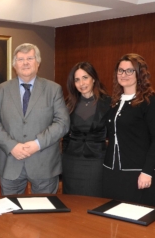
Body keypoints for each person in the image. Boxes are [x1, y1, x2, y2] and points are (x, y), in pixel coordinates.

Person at [0, 43, 70, 195]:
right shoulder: (0, 91)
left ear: (38, 63)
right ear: (14, 65)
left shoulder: (53, 89)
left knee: (43, 215)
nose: (25, 62)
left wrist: (37, 144)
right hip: (11, 162)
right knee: (11, 215)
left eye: (30, 58)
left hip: (44, 163)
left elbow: (62, 123)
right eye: (20, 59)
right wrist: (12, 146)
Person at [103, 53, 155, 206]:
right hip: (111, 172)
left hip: (137, 173)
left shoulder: (149, 101)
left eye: (129, 71)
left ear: (139, 74)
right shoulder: (114, 102)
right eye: (120, 70)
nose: (124, 74)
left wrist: (147, 171)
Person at [62, 62, 110, 197]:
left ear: (93, 78)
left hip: (97, 161)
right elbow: (64, 133)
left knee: (94, 199)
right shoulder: (68, 103)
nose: (81, 83)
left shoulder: (107, 102)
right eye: (77, 80)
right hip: (71, 161)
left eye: (85, 77)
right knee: (72, 201)